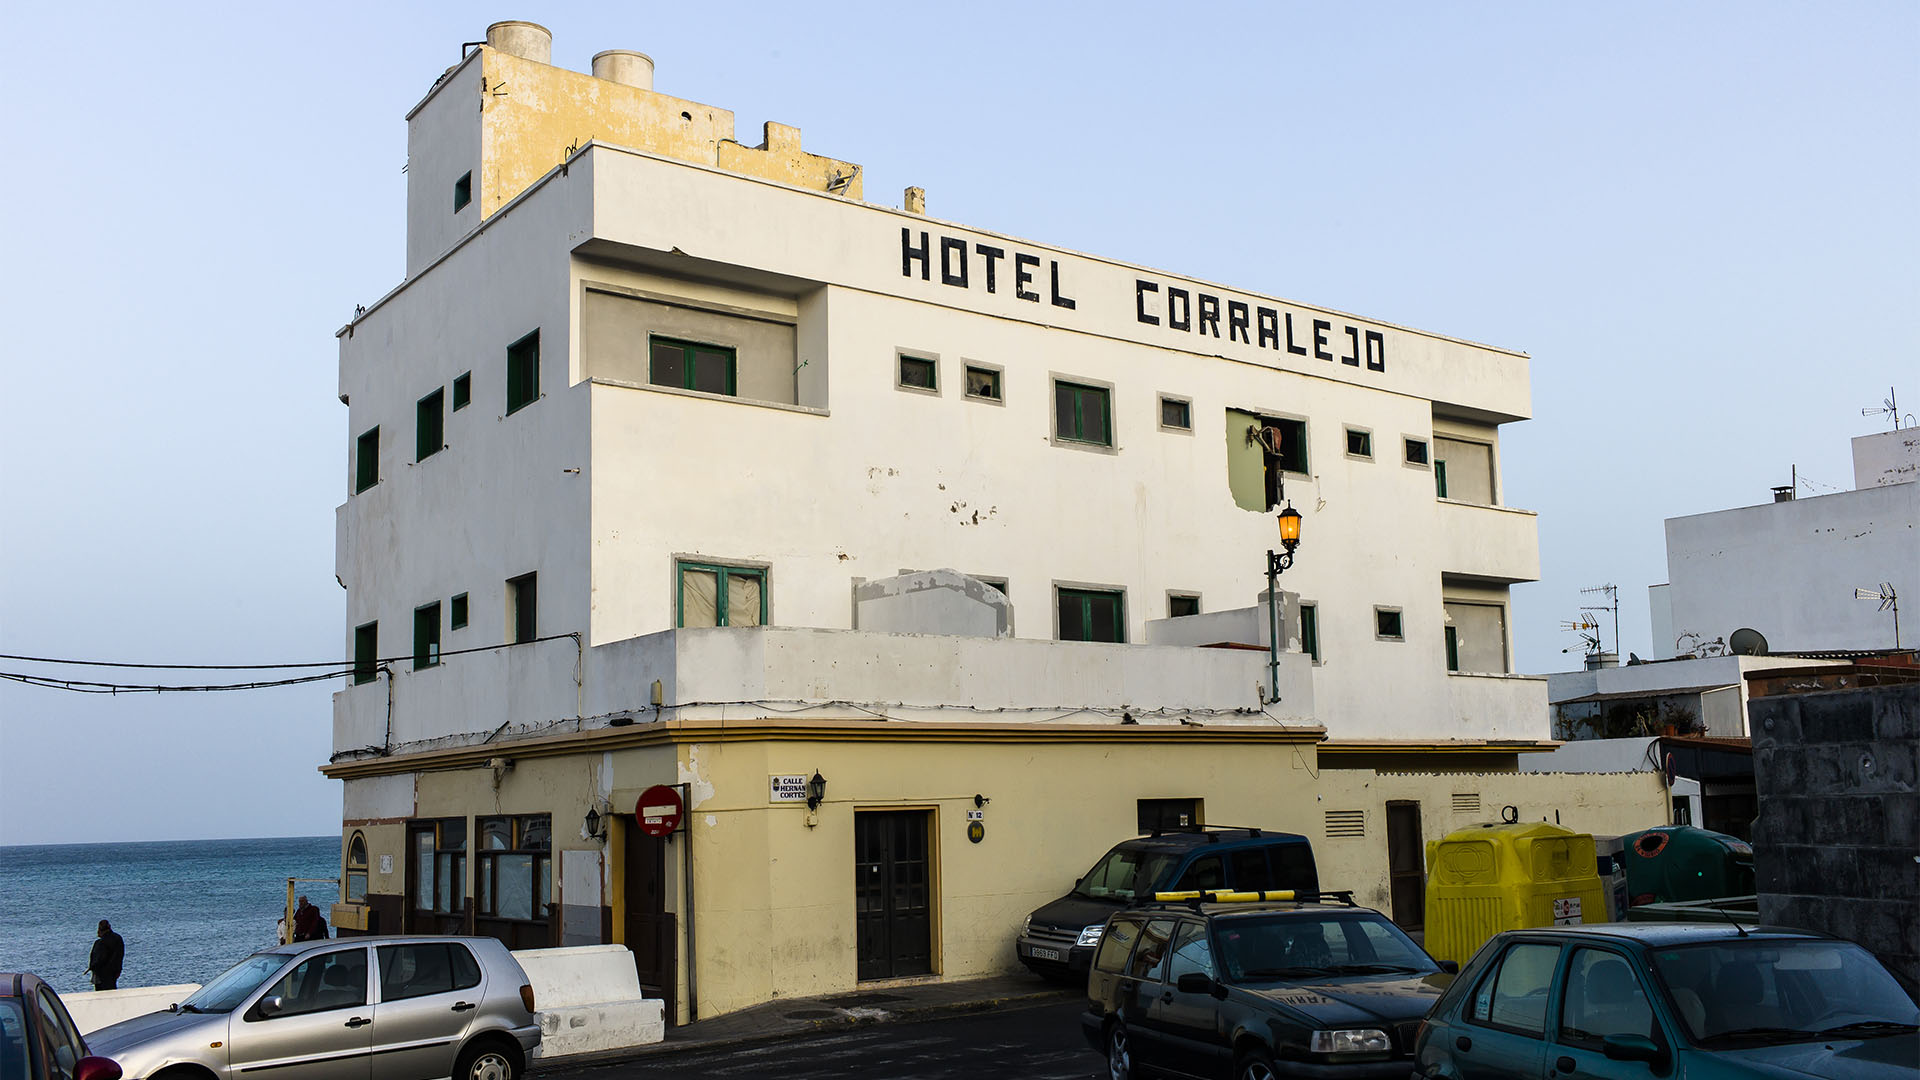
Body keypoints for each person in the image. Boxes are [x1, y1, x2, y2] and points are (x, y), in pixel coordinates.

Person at [86, 920, 124, 991]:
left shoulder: (100, 943)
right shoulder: (118, 938)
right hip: (114, 972)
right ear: (109, 927)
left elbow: (100, 959)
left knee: (101, 994)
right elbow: (120, 956)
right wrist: (118, 969)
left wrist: (93, 966)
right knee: (112, 991)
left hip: (101, 974)